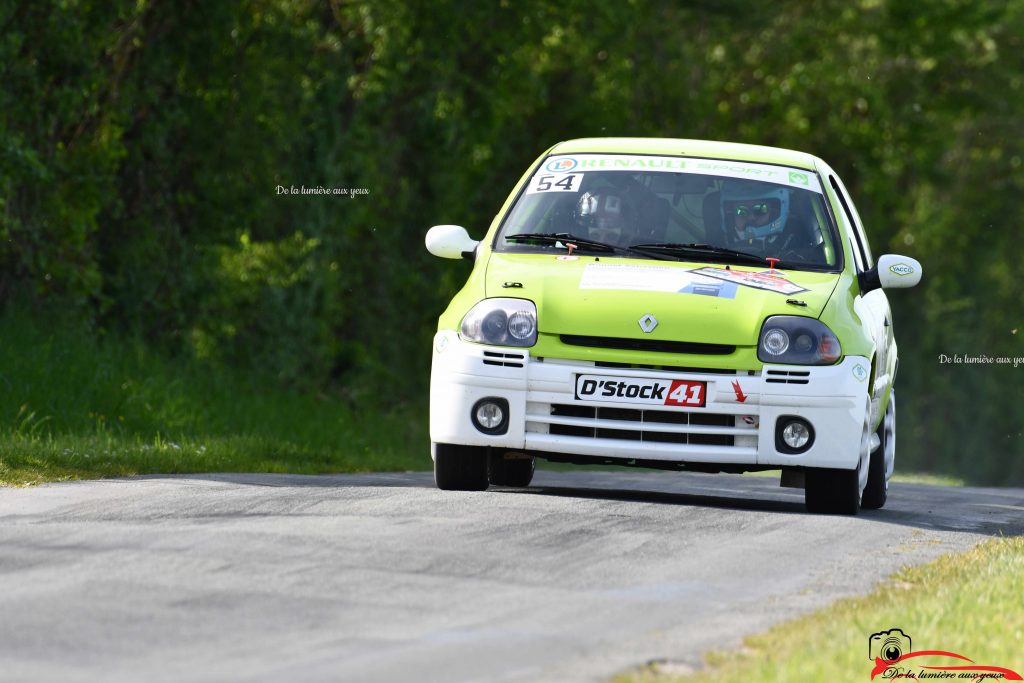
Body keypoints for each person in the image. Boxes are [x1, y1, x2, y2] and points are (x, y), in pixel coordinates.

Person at [719, 181, 790, 249]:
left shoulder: (793, 244)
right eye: (741, 211)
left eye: (760, 209)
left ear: (773, 213)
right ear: (731, 215)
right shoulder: (714, 245)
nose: (751, 217)